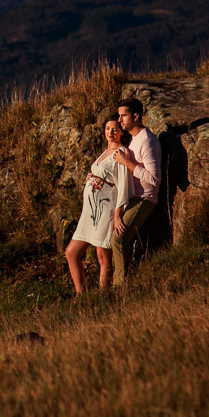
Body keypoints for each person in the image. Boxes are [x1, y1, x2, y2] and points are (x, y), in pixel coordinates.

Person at [65, 115, 132, 293]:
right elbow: (103, 174)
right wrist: (91, 177)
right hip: (90, 212)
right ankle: (81, 294)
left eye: (115, 129)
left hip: (105, 209)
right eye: (108, 128)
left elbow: (123, 185)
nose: (111, 132)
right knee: (71, 253)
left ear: (121, 132)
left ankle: (103, 297)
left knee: (103, 257)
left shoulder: (122, 153)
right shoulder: (105, 152)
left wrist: (118, 215)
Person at [110, 97, 161, 286]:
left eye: (124, 116)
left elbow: (155, 180)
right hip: (131, 197)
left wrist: (127, 163)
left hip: (144, 198)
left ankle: (120, 288)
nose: (120, 120)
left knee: (119, 239)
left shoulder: (148, 141)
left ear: (136, 116)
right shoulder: (132, 140)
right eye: (119, 116)